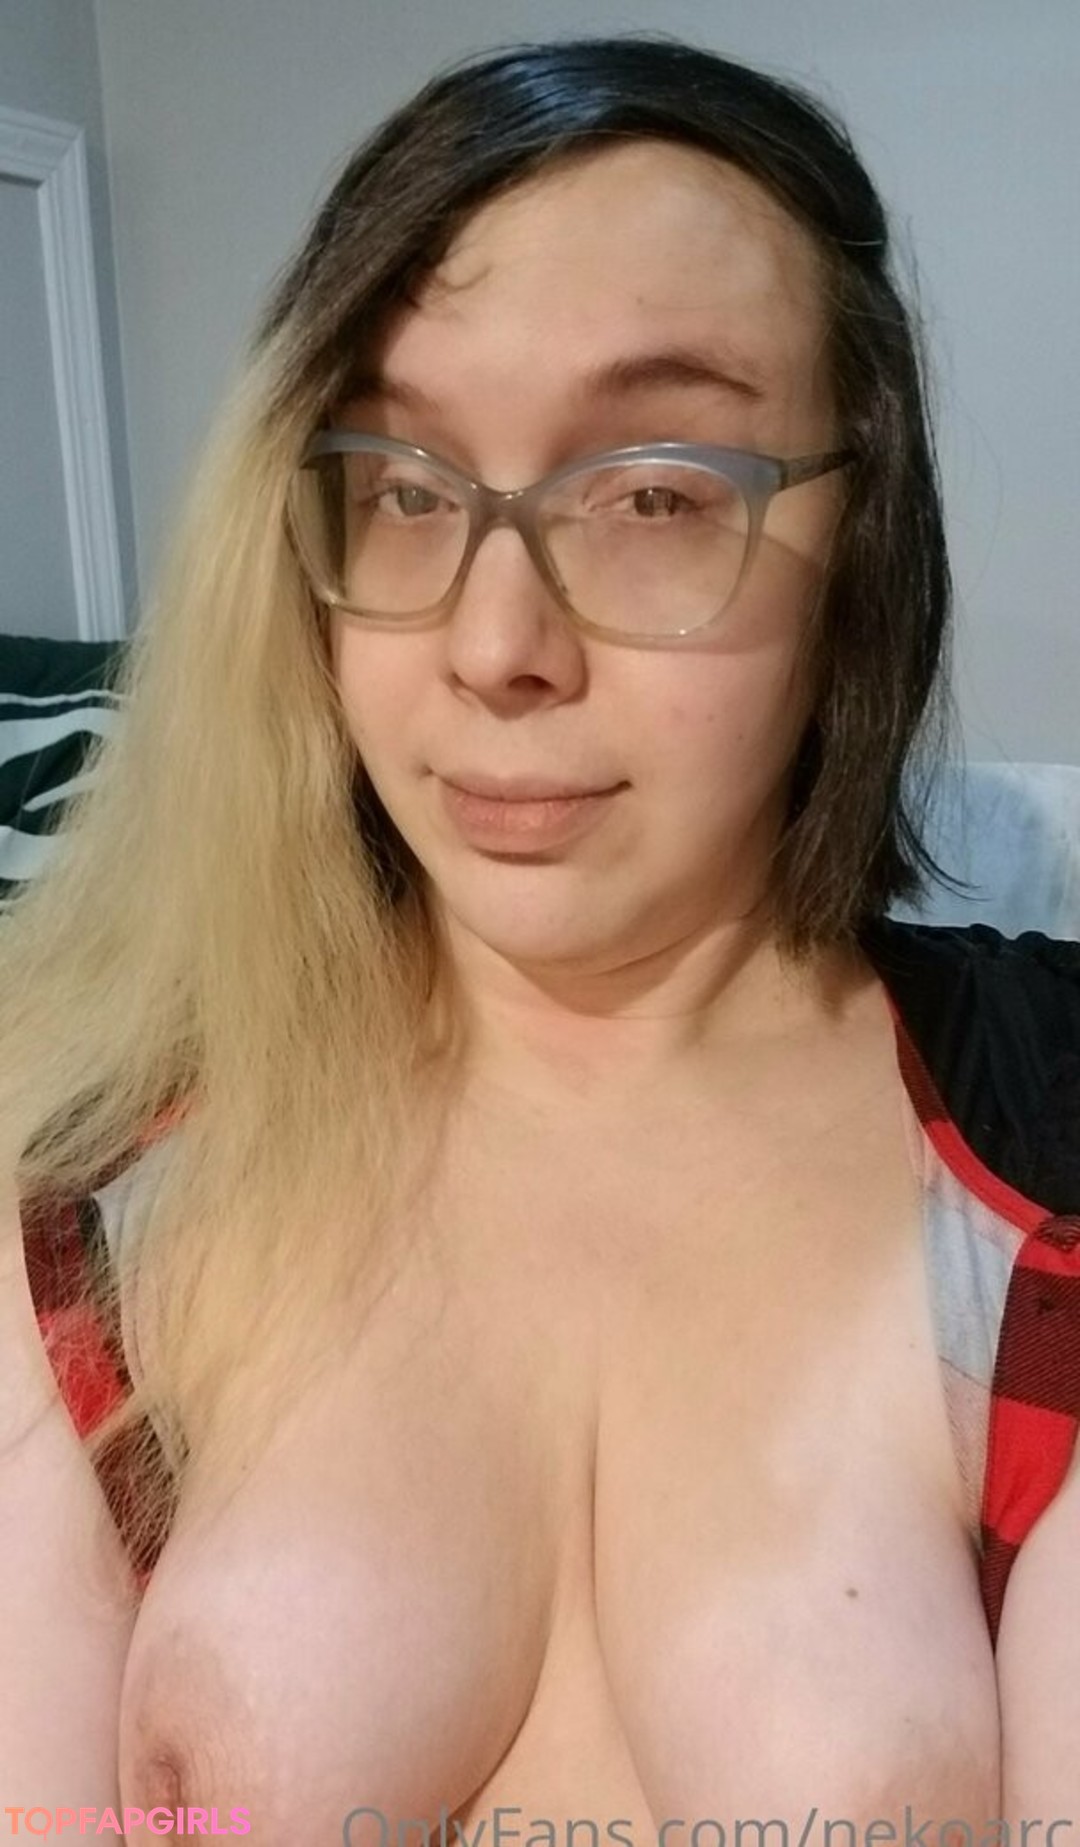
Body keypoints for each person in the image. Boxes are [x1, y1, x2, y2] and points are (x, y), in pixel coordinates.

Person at [1, 32, 1078, 1843]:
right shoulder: (96, 1176)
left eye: (654, 493)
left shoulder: (1041, 1169)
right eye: (408, 488)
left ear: (865, 543)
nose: (498, 646)